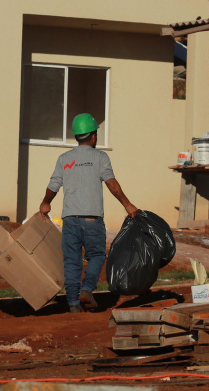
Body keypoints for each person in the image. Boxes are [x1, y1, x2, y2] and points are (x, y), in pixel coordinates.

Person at [39, 113, 138, 313]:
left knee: (72, 261)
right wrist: (127, 205)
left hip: (70, 221)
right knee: (97, 255)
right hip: (93, 220)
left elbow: (53, 186)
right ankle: (87, 289)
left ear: (77, 136)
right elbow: (112, 184)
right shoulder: (100, 157)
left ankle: (73, 304)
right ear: (93, 136)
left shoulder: (64, 159)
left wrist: (46, 203)